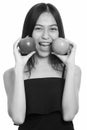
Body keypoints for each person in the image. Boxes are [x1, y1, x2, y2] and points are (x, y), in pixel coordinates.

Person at [3, 2, 81, 130]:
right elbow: (18, 118)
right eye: (38, 28)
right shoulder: (11, 74)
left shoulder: (73, 70)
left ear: (59, 34)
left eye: (53, 29)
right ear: (29, 33)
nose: (46, 36)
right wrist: (19, 69)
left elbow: (69, 115)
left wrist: (70, 67)